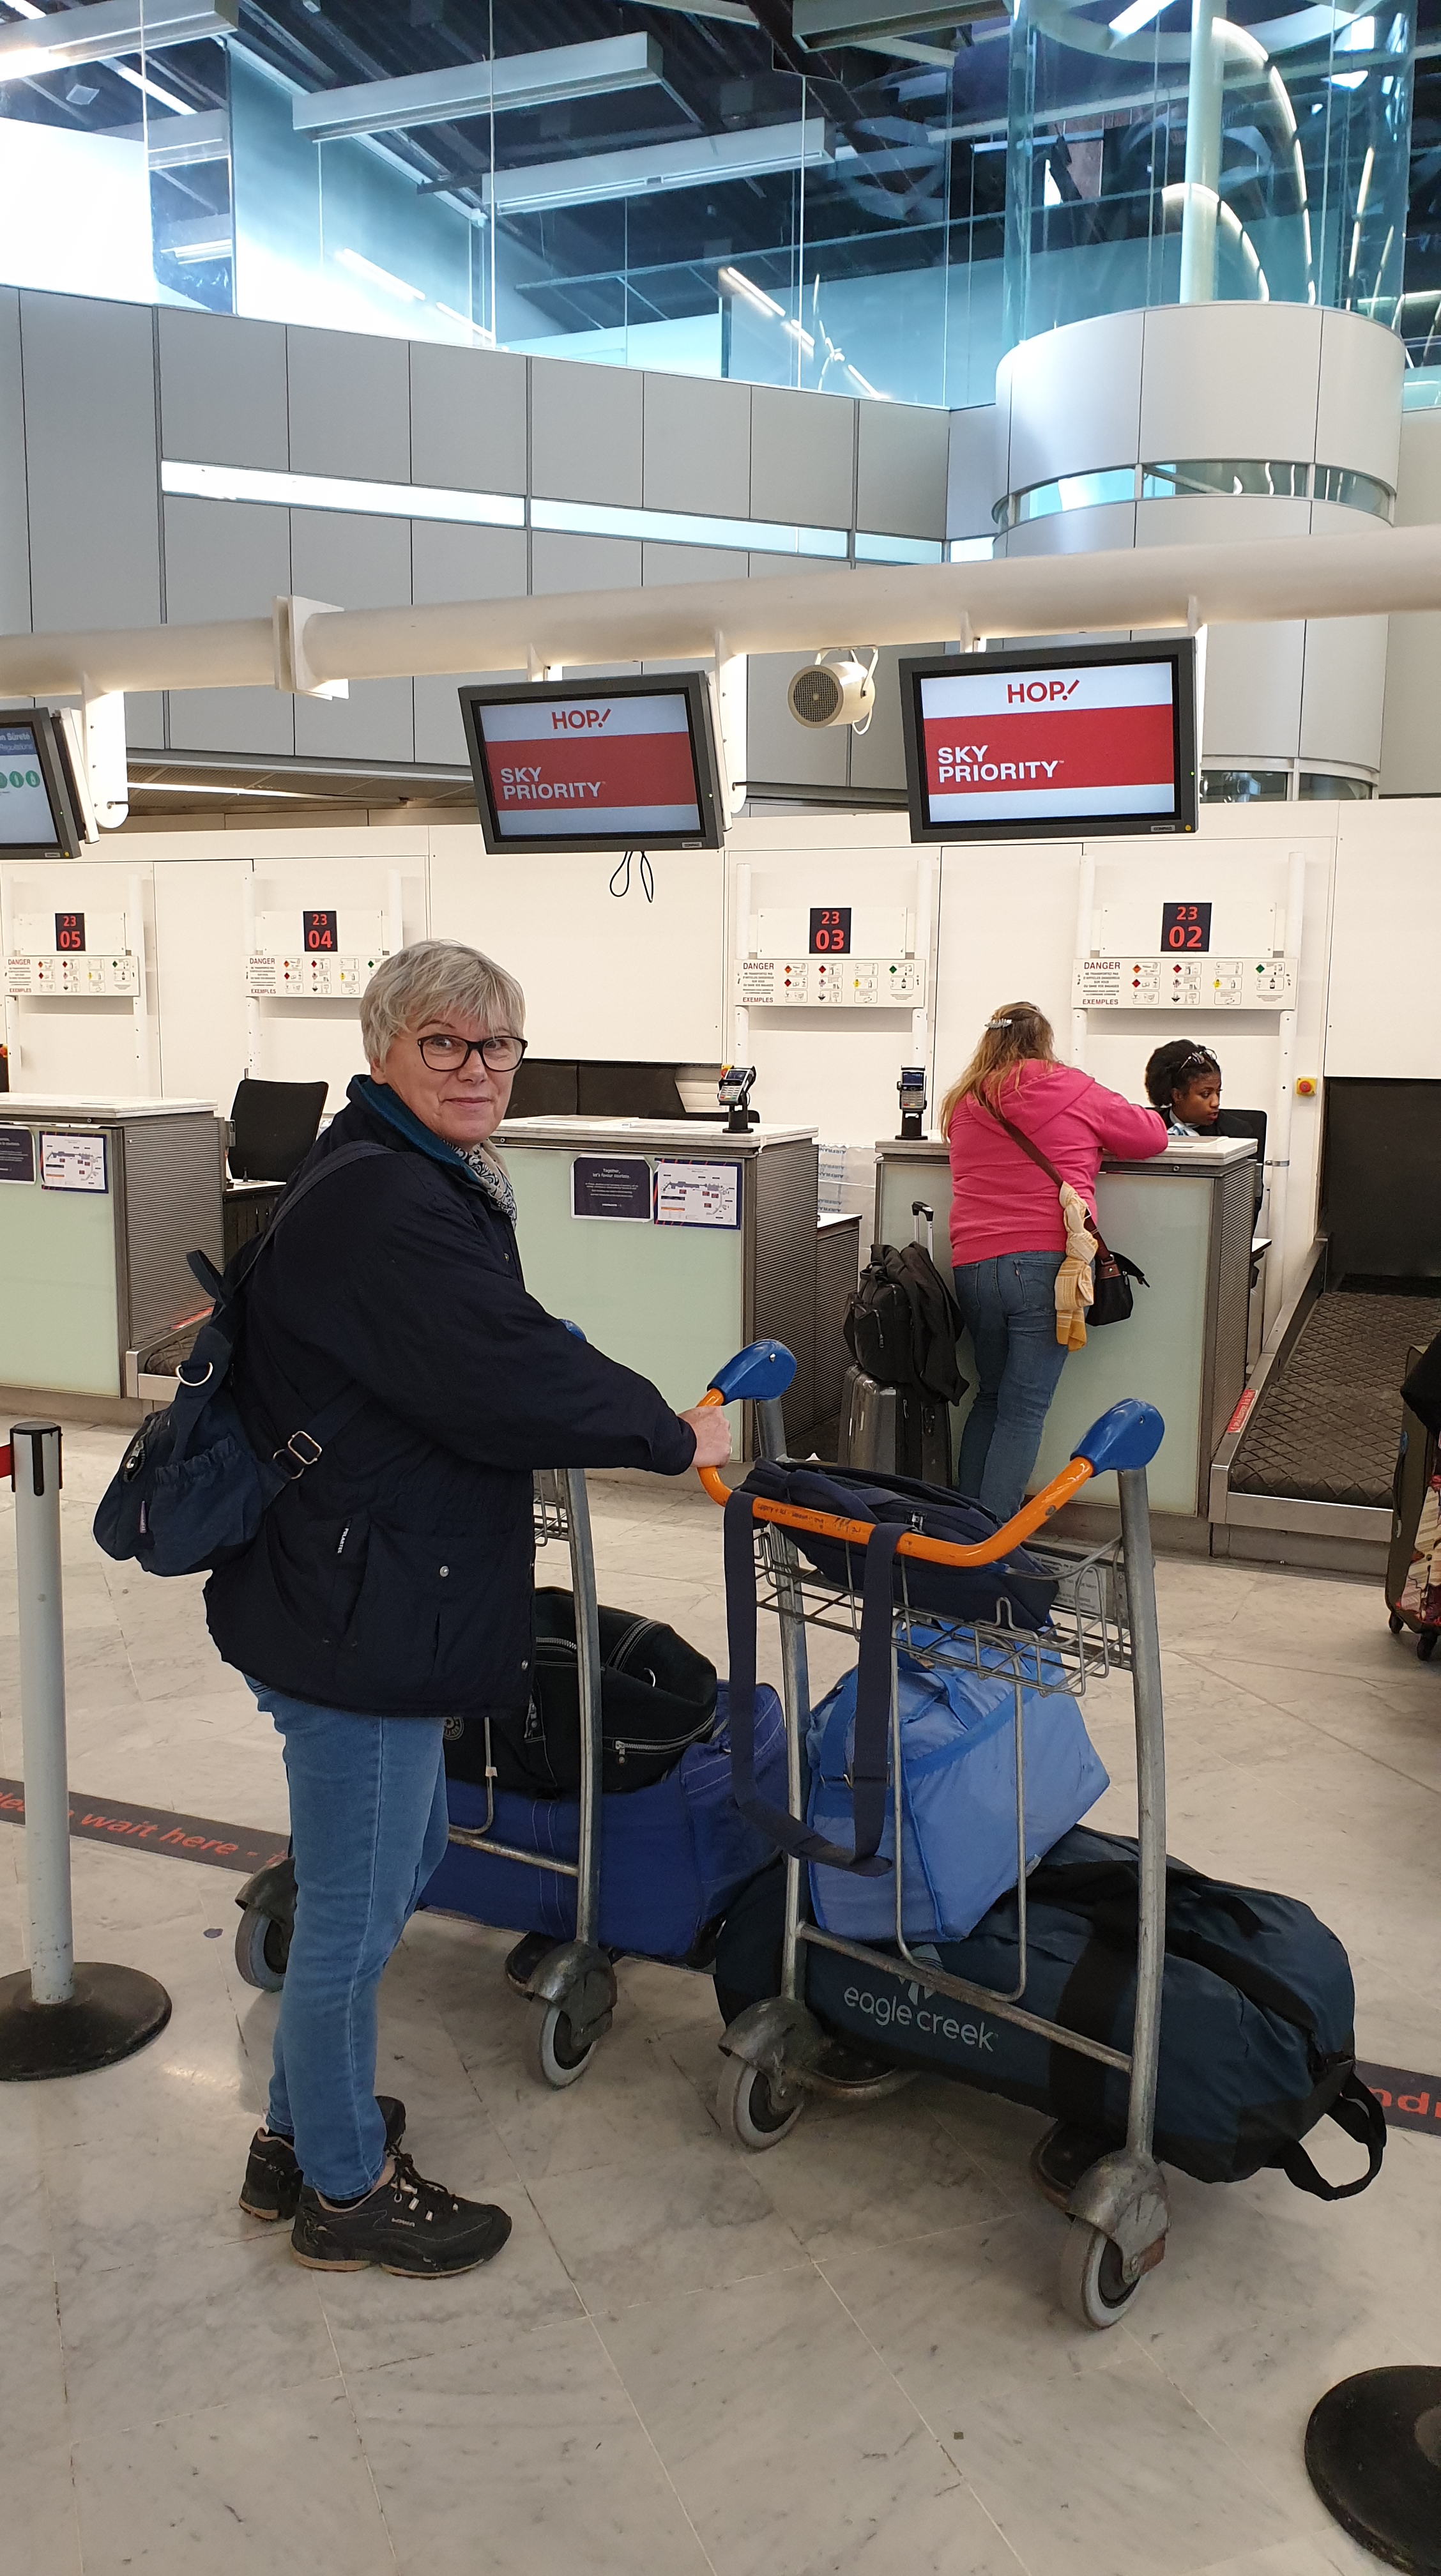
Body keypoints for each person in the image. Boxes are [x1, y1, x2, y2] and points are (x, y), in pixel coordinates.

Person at [208, 939, 732, 2278]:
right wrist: (667, 1432)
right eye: (442, 1042)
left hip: (363, 1584)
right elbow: (505, 1365)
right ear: (383, 1047)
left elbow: (489, 1342)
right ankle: (342, 2190)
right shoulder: (390, 1198)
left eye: (496, 1044)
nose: (475, 1068)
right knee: (351, 1915)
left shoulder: (398, 1168)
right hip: (355, 1609)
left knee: (393, 1866)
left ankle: (295, 2139)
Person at [943, 1000, 1167, 1521]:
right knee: (1023, 1410)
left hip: (972, 1266)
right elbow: (1152, 1135)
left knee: (990, 1397)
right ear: (1043, 1041)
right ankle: (992, 1540)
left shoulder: (965, 1100)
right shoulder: (1071, 1088)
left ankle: (961, 1527)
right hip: (1048, 1266)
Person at [1144, 1038, 1222, 1137]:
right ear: (1177, 1095)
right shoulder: (1147, 1128)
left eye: (1218, 1092)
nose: (1216, 1103)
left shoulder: (1235, 1132)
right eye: (1205, 1094)